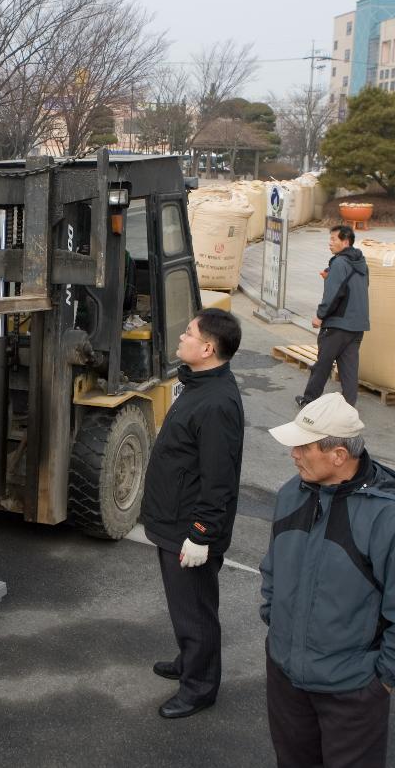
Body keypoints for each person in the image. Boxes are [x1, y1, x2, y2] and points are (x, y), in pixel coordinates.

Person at [262, 393, 395, 767]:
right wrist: (275, 623)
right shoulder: (292, 494)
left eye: (303, 447)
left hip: (351, 691)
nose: (293, 454)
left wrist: (382, 682)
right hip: (286, 680)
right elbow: (273, 567)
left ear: (338, 455)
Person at [140, 307, 244, 719]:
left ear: (207, 347)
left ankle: (199, 686)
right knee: (185, 605)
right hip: (174, 517)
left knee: (195, 609)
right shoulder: (199, 385)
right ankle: (190, 661)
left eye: (188, 333)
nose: (180, 338)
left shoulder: (217, 403)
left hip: (189, 527)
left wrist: (201, 533)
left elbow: (219, 479)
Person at [298, 225, 369, 408]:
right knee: (349, 368)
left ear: (345, 242)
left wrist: (320, 316)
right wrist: (331, 276)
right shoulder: (361, 263)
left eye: (334, 239)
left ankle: (309, 401)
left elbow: (333, 294)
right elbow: (355, 287)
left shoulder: (339, 263)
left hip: (338, 323)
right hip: (357, 324)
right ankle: (348, 405)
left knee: (323, 364)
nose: (330, 243)